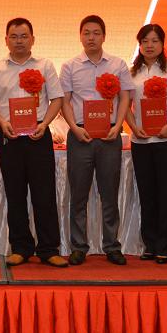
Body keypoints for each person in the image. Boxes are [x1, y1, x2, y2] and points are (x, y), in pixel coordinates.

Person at [0, 17, 67, 268]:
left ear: (33, 39)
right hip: (9, 135)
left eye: (24, 36)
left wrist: (45, 123)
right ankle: (20, 248)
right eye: (14, 36)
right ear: (6, 40)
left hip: (39, 133)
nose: (19, 41)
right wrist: (1, 122)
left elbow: (57, 99)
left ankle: (49, 249)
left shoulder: (45, 65)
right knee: (15, 193)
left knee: (44, 193)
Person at [59, 15, 134, 266]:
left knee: (109, 194)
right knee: (78, 194)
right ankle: (79, 246)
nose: (91, 38)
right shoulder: (70, 66)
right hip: (80, 135)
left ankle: (112, 245)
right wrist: (73, 128)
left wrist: (118, 125)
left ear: (104, 36)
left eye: (96, 33)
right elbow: (65, 101)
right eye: (86, 33)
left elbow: (125, 98)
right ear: (80, 36)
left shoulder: (117, 64)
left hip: (109, 135)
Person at [125, 23, 167, 264]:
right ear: (139, 45)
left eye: (154, 41)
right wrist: (133, 126)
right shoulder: (131, 74)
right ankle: (150, 244)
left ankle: (164, 246)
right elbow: (125, 105)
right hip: (141, 141)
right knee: (147, 193)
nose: (149, 45)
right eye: (145, 41)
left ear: (162, 44)